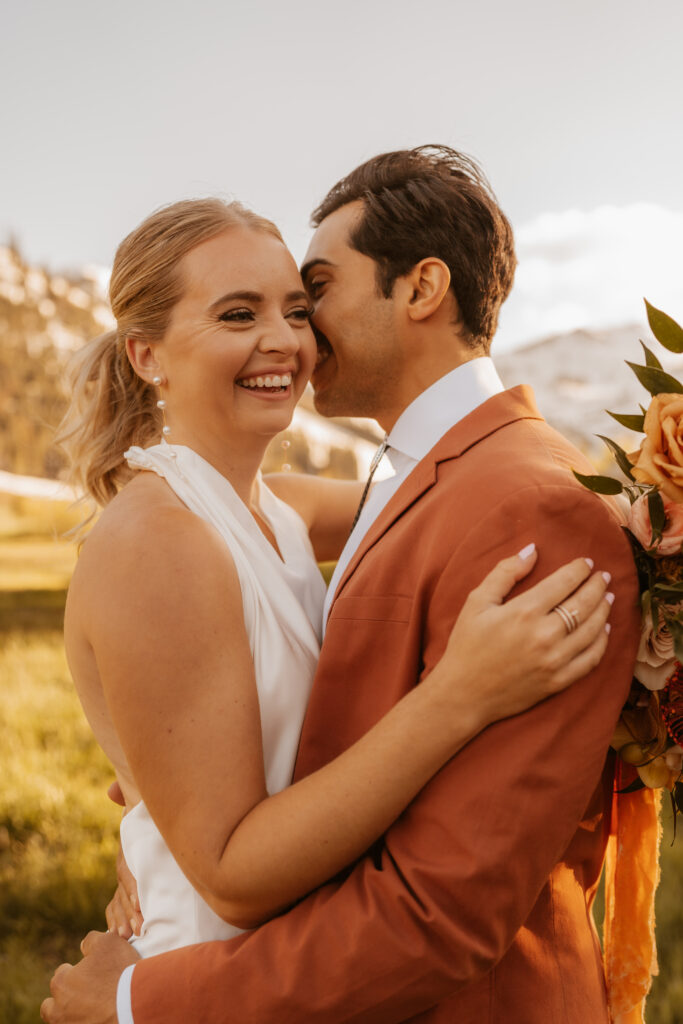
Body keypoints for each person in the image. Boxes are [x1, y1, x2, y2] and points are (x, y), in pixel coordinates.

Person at [42, 148, 638, 1024]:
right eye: (241, 313)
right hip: (225, 958)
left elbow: (464, 499)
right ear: (147, 355)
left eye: (303, 297)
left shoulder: (295, 505)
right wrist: (158, 807)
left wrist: (640, 512)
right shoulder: (157, 535)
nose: (294, 335)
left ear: (422, 287)